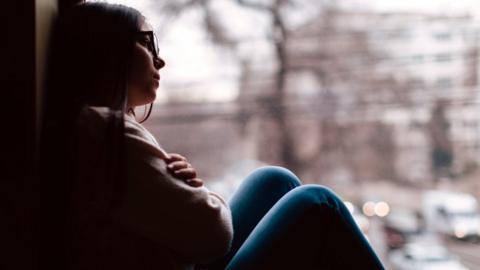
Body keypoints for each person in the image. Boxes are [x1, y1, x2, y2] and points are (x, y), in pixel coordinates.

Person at [39, 2, 385, 270]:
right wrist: (195, 192)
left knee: (273, 179)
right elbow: (213, 237)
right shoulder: (108, 136)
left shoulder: (88, 128)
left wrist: (181, 194)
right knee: (318, 204)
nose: (159, 62)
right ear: (107, 50)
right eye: (146, 43)